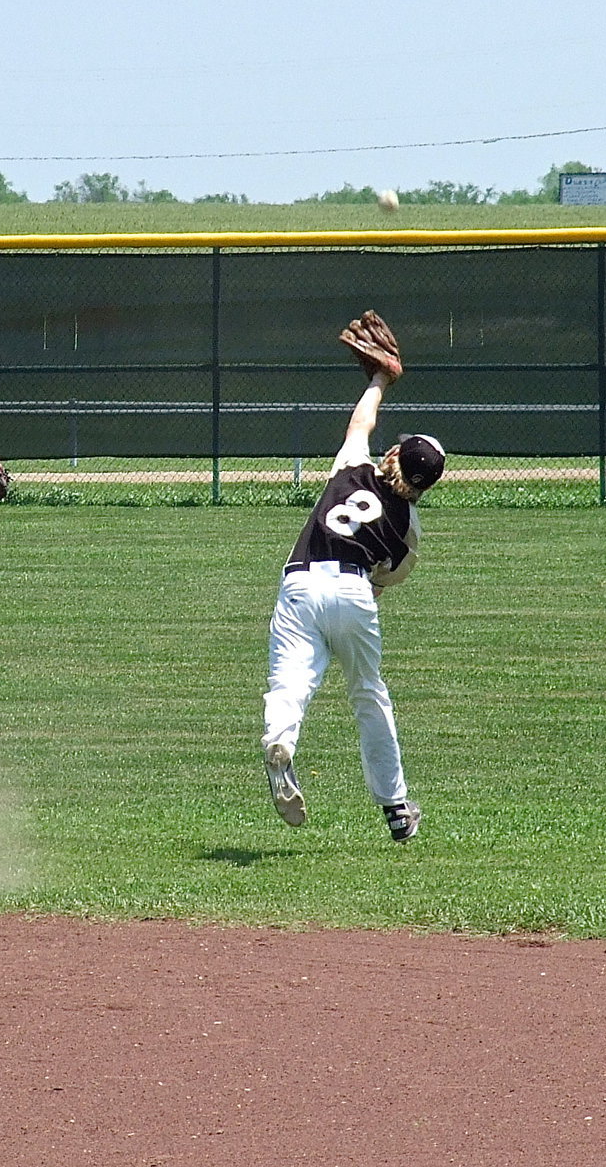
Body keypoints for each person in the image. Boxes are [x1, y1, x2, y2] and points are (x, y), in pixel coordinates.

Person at [261, 312, 445, 841]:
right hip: (353, 589)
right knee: (367, 691)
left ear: (393, 453)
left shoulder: (350, 467)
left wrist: (380, 379)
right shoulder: (408, 526)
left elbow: (359, 425)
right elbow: (388, 580)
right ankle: (396, 808)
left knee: (291, 681)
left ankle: (281, 740)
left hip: (298, 580)